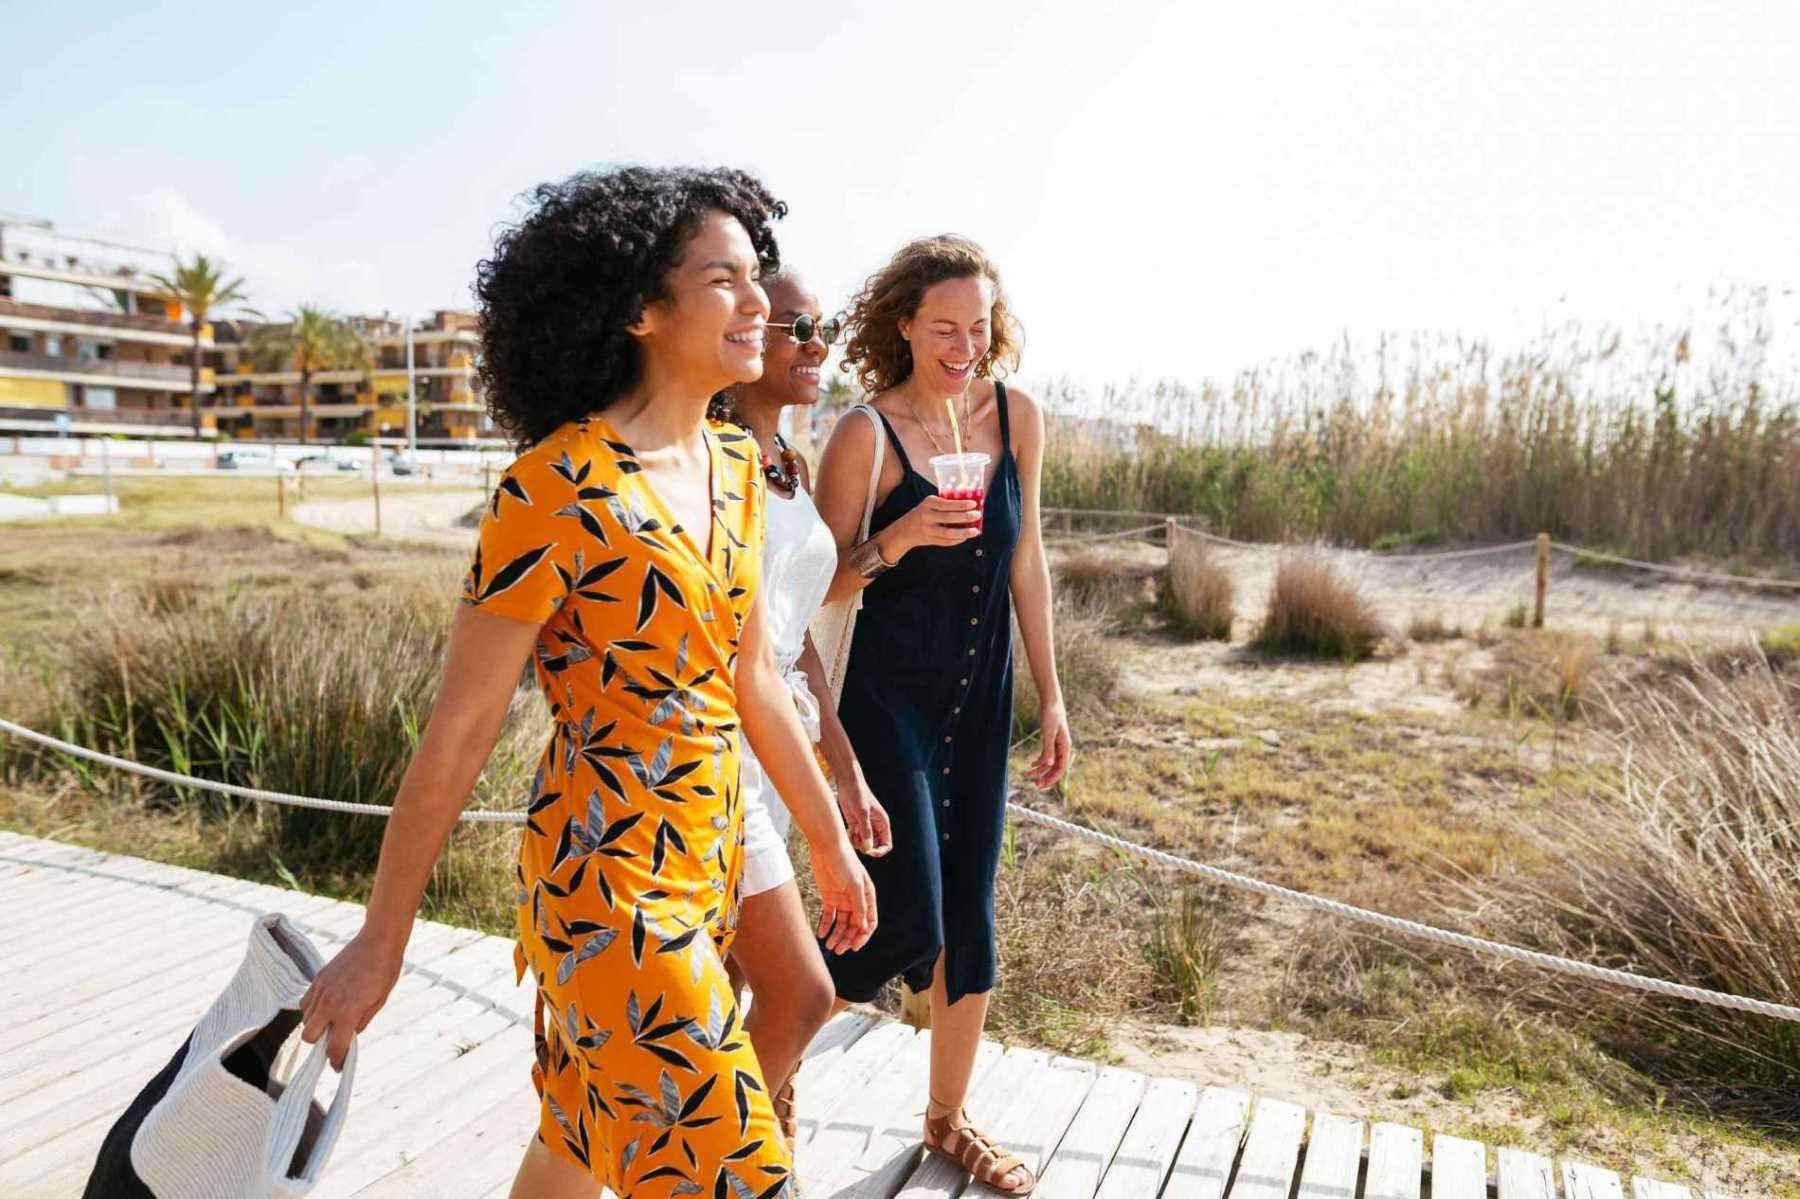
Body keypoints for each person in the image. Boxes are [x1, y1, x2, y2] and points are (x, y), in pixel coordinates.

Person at [297, 166, 877, 1199]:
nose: (759, 304)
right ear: (643, 312)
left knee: (574, 1144)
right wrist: (382, 940)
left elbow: (751, 680)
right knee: (743, 1173)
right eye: (725, 280)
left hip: (697, 871)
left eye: (759, 278)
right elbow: (459, 733)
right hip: (605, 894)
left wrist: (828, 840)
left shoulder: (738, 471)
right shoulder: (554, 488)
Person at [810, 234, 1073, 1195]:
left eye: (981, 325)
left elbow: (1027, 562)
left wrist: (1051, 696)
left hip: (981, 702)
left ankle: (949, 1121)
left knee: (968, 909)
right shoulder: (864, 436)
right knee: (898, 910)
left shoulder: (1018, 415)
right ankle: (770, 1065)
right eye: (945, 326)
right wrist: (902, 535)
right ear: (905, 325)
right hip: (886, 703)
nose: (966, 343)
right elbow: (819, 586)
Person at [709, 268, 894, 1144]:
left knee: (741, 988)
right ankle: (712, 1156)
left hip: (786, 742)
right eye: (797, 327)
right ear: (741, 336)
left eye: (821, 328)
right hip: (728, 745)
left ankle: (749, 1156)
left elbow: (797, 633)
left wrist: (845, 775)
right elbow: (741, 648)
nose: (818, 344)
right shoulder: (712, 456)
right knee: (801, 989)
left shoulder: (791, 460)